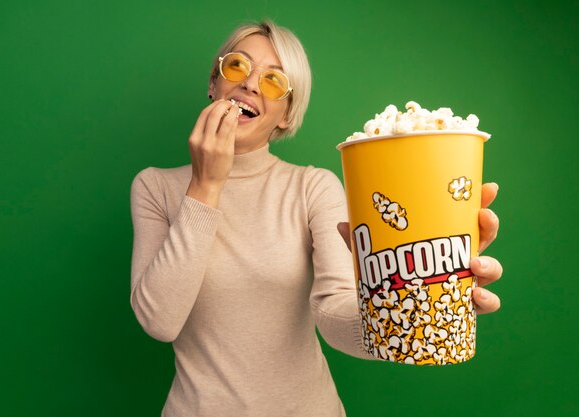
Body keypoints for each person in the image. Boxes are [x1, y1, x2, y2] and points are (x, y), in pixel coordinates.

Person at [129, 20, 502, 417]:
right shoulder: (155, 188)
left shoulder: (312, 187)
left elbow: (332, 311)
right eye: (238, 66)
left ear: (287, 115)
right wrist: (205, 186)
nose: (251, 85)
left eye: (274, 81)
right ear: (213, 82)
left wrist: (413, 306)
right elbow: (159, 320)